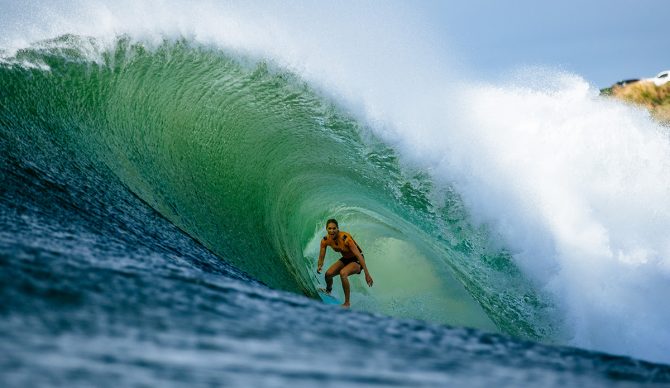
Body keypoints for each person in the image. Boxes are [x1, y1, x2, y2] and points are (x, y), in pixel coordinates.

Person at [317, 218, 373, 307]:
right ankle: (328, 291)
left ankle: (347, 303)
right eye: (329, 228)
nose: (332, 231)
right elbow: (322, 253)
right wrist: (320, 265)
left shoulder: (346, 239)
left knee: (343, 273)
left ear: (337, 228)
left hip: (357, 260)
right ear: (326, 229)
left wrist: (367, 274)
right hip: (345, 259)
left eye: (334, 228)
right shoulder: (325, 240)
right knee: (328, 274)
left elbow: (359, 255)